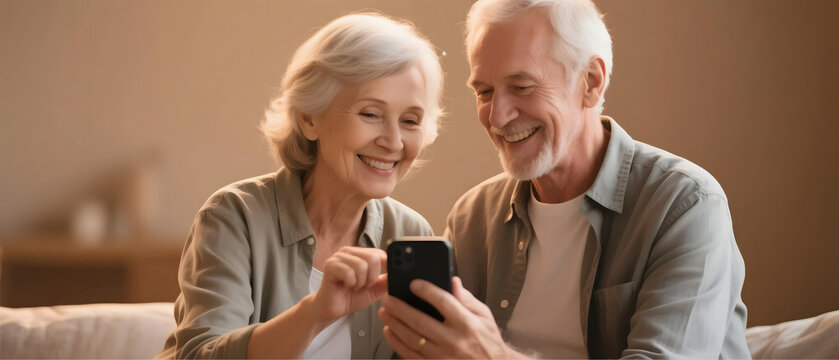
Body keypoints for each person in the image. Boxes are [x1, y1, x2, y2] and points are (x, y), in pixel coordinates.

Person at [378, 0, 750, 358]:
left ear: (591, 82)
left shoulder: (685, 205)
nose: (497, 117)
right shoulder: (473, 217)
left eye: (522, 86)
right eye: (485, 92)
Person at [156, 12, 443, 359]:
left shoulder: (411, 234)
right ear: (309, 118)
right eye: (370, 114)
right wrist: (314, 313)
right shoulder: (235, 217)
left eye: (410, 120)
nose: (394, 141)